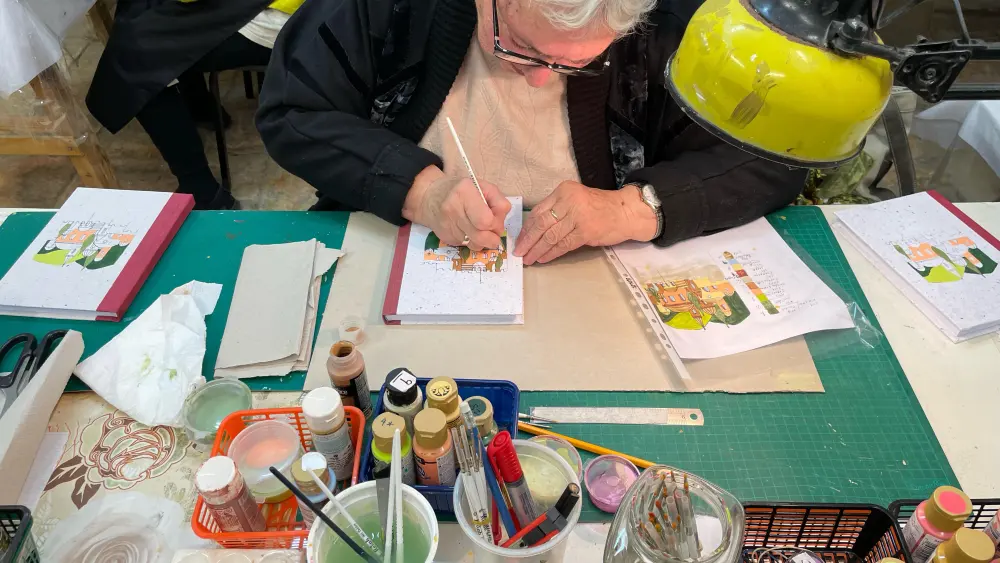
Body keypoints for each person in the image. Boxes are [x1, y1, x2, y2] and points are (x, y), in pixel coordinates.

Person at [257, 0, 807, 264]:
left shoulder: (675, 26)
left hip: (593, 279)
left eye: (580, 62)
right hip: (386, 253)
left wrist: (633, 208)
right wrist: (421, 191)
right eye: (520, 46)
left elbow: (777, 157)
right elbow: (292, 111)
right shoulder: (385, 7)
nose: (543, 79)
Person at [86, 0, 305, 210]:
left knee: (134, 54)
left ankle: (202, 192)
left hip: (286, 16)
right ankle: (199, 104)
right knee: (140, 11)